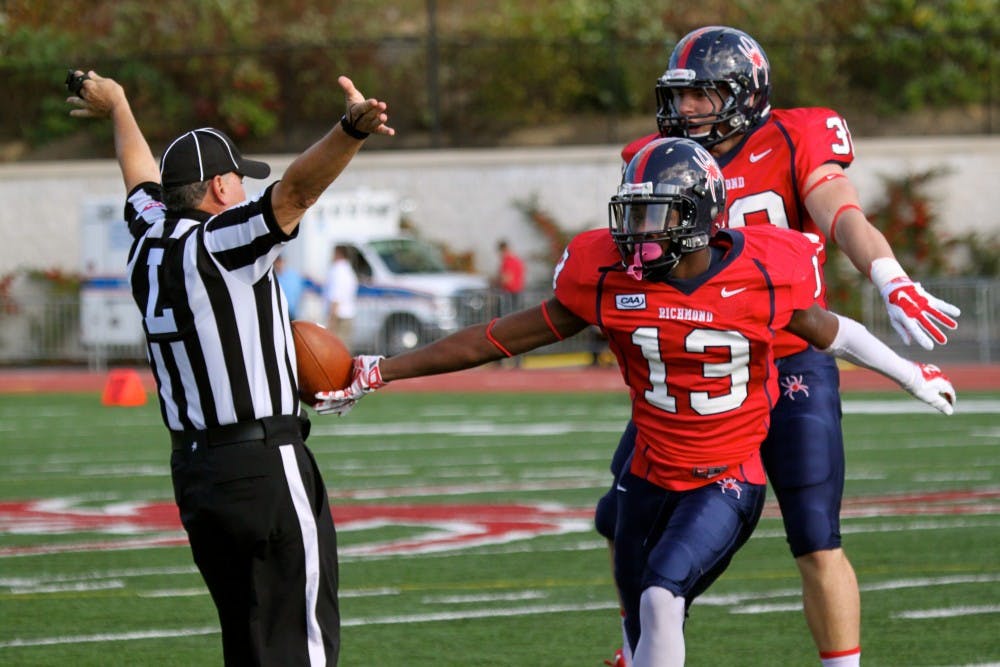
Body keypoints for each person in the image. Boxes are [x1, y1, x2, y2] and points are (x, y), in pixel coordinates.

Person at [312, 138, 956, 667]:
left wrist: (911, 375)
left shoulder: (759, 276)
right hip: (647, 476)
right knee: (638, 618)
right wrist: (381, 370)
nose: (637, 232)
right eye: (633, 213)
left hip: (726, 477)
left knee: (659, 597)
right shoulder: (606, 276)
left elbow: (835, 332)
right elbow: (496, 338)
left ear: (701, 216)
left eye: (659, 216)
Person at [598, 26, 963, 667]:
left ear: (745, 92)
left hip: (790, 356)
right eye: (679, 97)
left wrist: (889, 276)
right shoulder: (656, 156)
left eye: (703, 96)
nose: (684, 111)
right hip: (696, 368)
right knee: (620, 517)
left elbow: (840, 210)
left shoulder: (796, 135)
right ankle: (640, 647)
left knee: (816, 536)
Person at [67, 68, 393, 666]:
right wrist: (351, 130)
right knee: (303, 642)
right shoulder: (218, 242)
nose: (244, 191)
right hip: (263, 462)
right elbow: (295, 193)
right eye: (239, 181)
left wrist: (118, 106)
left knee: (250, 644)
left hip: (197, 473)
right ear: (219, 187)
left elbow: (138, 175)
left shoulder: (147, 235)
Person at [324, 244, 359, 345]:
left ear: (338, 254)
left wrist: (331, 321)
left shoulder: (337, 271)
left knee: (335, 351)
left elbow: (336, 296)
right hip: (347, 315)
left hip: (339, 317)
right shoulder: (348, 270)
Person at [495, 238, 526, 312]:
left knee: (506, 317)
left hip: (510, 294)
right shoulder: (516, 260)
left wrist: (495, 282)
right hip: (517, 292)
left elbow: (507, 279)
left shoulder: (508, 261)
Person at [275, 253, 308, 320]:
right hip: (279, 313)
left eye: (280, 261)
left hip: (293, 312)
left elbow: (307, 284)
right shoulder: (273, 278)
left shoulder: (293, 275)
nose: (279, 264)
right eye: (277, 262)